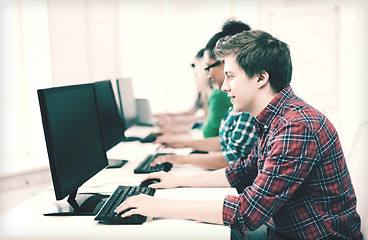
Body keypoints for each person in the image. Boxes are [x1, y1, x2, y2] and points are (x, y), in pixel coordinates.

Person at [115, 30, 363, 239]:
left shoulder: (295, 127)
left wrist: (160, 206)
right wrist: (176, 181)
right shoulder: (277, 118)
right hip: (287, 230)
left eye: (231, 77)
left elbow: (247, 213)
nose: (224, 86)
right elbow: (242, 170)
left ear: (261, 78)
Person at [155, 20, 251, 144]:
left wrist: (176, 142)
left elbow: (224, 149)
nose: (207, 75)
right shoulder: (235, 101)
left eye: (207, 68)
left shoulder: (224, 97)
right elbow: (227, 147)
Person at [151, 106, 258, 170]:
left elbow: (231, 159)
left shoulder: (247, 111)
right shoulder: (236, 106)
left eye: (231, 76)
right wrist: (183, 143)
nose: (224, 87)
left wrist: (182, 159)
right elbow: (224, 142)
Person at [156, 48, 211, 134]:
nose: (196, 78)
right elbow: (192, 113)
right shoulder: (203, 91)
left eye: (196, 74)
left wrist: (172, 123)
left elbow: (203, 119)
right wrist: (168, 117)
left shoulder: (216, 93)